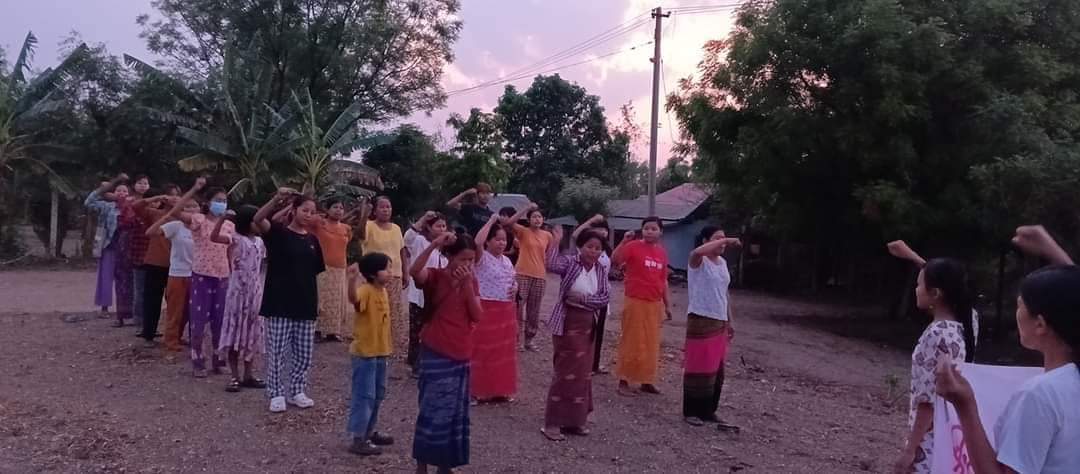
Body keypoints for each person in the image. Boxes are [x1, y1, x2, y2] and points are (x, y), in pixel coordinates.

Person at [936, 225, 1079, 474]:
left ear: (1040, 323)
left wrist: (965, 405)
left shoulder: (1040, 395)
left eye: (1020, 306)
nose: (1017, 314)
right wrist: (1054, 254)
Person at [886, 247, 976, 474]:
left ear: (936, 293)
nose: (916, 290)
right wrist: (917, 260)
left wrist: (910, 450)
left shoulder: (935, 334)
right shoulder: (969, 322)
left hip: (928, 441)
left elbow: (928, 401)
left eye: (919, 285)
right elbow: (954, 285)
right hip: (953, 434)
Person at [409, 232, 482, 473]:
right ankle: (422, 464)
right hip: (435, 349)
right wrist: (435, 244)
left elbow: (477, 315)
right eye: (463, 259)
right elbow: (414, 272)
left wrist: (468, 285)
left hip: (460, 352)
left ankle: (444, 464)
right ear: (449, 256)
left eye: (471, 260)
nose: (468, 265)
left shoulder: (472, 282)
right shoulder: (436, 276)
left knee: (453, 414)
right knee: (431, 409)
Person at [253, 189, 326, 413]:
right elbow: (258, 219)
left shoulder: (313, 240)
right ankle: (276, 393)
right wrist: (276, 198)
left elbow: (316, 273)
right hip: (279, 302)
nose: (308, 215)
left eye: (312, 212)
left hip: (305, 304)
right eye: (304, 210)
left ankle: (297, 390)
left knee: (304, 352)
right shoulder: (279, 234)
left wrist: (318, 302)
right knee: (277, 351)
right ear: (294, 211)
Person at [540, 226, 610, 441]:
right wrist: (555, 241)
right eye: (589, 246)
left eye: (598, 248)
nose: (593, 251)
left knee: (583, 374)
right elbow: (551, 264)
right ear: (581, 247)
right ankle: (552, 423)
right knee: (564, 372)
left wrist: (583, 300)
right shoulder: (571, 262)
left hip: (588, 324)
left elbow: (605, 297)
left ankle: (575, 421)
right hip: (567, 323)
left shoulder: (600, 269)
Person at [684, 226, 740, 427]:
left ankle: (709, 410)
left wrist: (730, 320)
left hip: (719, 320)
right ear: (705, 240)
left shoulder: (723, 263)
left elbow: (725, 293)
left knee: (716, 369)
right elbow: (696, 252)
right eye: (718, 239)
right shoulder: (698, 261)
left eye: (724, 238)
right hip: (701, 317)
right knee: (698, 366)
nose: (723, 242)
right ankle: (691, 411)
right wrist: (728, 240)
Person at [146, 178, 206, 354]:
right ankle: (170, 341)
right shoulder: (176, 226)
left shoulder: (203, 227)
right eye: (187, 207)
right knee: (175, 310)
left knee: (190, 312)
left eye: (195, 206)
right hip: (178, 274)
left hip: (197, 274)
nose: (191, 210)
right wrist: (165, 217)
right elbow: (150, 233)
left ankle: (179, 337)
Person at [612, 217, 671, 395]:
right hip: (635, 300)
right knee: (631, 340)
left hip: (654, 304)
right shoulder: (633, 246)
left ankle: (647, 380)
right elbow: (615, 259)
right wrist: (623, 241)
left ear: (660, 232)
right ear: (642, 230)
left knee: (651, 343)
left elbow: (663, 280)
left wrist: (667, 305)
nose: (649, 231)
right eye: (646, 228)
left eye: (654, 229)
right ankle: (623, 379)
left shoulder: (661, 252)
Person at [212, 205, 266, 393]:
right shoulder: (235, 238)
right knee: (235, 332)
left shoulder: (260, 241)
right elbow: (214, 237)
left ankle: (248, 374)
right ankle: (234, 376)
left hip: (255, 292)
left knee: (252, 333)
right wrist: (223, 219)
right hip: (237, 292)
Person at [345, 252, 395, 456]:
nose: (390, 273)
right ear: (373, 274)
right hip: (365, 353)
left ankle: (369, 431)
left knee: (377, 394)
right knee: (364, 395)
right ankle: (358, 438)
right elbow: (354, 300)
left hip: (381, 351)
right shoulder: (366, 290)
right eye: (386, 269)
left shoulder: (382, 291)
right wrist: (351, 280)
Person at [184, 186, 234, 377]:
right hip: (201, 275)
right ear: (208, 202)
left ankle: (218, 360)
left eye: (224, 200)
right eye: (218, 200)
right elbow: (176, 212)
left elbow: (229, 251)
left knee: (220, 321)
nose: (221, 204)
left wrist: (232, 270)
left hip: (222, 276)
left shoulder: (230, 225)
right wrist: (194, 189)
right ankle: (198, 361)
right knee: (198, 321)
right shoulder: (199, 220)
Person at [470, 213, 519, 403]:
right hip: (486, 307)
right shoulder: (481, 258)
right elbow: (477, 242)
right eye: (497, 239)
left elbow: (513, 281)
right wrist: (490, 221)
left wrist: (515, 287)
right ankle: (476, 390)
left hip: (505, 311)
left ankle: (499, 389)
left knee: (502, 352)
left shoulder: (507, 261)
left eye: (504, 240)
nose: (501, 243)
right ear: (489, 241)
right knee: (482, 350)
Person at [356, 196, 409, 351]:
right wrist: (364, 214)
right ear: (375, 210)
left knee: (392, 309)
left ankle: (389, 342)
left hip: (394, 275)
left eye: (388, 207)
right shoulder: (369, 226)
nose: (386, 210)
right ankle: (372, 338)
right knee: (374, 308)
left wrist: (406, 272)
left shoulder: (397, 229)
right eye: (382, 207)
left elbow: (402, 251)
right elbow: (359, 235)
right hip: (374, 277)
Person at [404, 211, 449, 374]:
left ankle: (428, 361)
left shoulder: (444, 252)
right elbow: (407, 238)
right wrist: (422, 219)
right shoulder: (420, 242)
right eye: (438, 226)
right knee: (416, 331)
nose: (442, 229)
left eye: (444, 226)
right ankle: (415, 364)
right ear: (429, 228)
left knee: (431, 330)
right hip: (418, 296)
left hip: (436, 297)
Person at [84, 173, 130, 323]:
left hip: (127, 249)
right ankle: (104, 307)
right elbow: (89, 202)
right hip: (109, 246)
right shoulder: (107, 207)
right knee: (105, 277)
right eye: (118, 190)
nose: (121, 193)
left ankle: (125, 310)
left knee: (125, 280)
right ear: (113, 193)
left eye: (124, 191)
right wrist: (113, 182)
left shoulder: (133, 207)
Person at [132, 192, 177, 344]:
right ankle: (148, 332)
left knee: (175, 302)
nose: (174, 198)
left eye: (178, 195)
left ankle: (173, 334)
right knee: (152, 300)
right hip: (155, 262)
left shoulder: (185, 218)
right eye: (171, 195)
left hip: (178, 266)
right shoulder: (155, 214)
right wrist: (155, 198)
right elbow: (136, 206)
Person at [508, 203, 553, 351]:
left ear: (543, 219)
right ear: (529, 219)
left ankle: (529, 340)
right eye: (534, 217)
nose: (537, 219)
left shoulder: (547, 235)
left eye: (539, 216)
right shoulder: (523, 231)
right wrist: (526, 208)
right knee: (518, 308)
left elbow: (549, 253)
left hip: (540, 275)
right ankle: (516, 340)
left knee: (534, 310)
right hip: (522, 274)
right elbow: (509, 222)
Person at [572, 215, 613, 374]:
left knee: (598, 331)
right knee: (585, 331)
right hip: (586, 295)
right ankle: (583, 362)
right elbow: (576, 235)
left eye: (604, 229)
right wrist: (590, 221)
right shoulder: (586, 247)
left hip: (602, 297)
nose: (602, 232)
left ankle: (594, 364)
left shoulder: (605, 251)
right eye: (598, 229)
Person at [312, 198, 356, 342]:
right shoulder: (320, 224)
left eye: (341, 208)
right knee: (321, 299)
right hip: (322, 266)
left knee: (337, 301)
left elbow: (349, 241)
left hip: (339, 268)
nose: (338, 210)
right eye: (335, 207)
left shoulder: (346, 228)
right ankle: (317, 330)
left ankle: (333, 332)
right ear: (328, 209)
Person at [127, 175, 152, 329]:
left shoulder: (158, 217)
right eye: (140, 182)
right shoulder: (133, 210)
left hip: (154, 259)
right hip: (139, 257)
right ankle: (138, 319)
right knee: (139, 290)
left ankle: (148, 319)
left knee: (149, 291)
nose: (143, 185)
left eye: (146, 183)